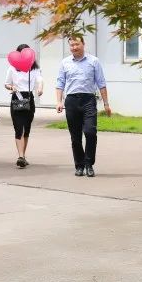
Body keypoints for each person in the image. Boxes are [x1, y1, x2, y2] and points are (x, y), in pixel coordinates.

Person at [55, 35, 111, 177]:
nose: (74, 47)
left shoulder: (94, 61)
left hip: (88, 100)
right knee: (75, 136)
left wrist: (106, 104)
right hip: (71, 101)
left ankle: (89, 164)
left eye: (77, 44)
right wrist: (59, 101)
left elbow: (101, 83)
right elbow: (60, 83)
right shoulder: (65, 63)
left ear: (83, 44)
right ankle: (79, 165)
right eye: (72, 45)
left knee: (90, 132)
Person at [4, 43, 43, 168]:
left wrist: (40, 88)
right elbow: (6, 83)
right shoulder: (12, 68)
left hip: (29, 98)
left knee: (26, 129)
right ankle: (20, 156)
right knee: (18, 128)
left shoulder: (34, 69)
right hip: (17, 98)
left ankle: (23, 156)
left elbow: (40, 80)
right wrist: (11, 87)